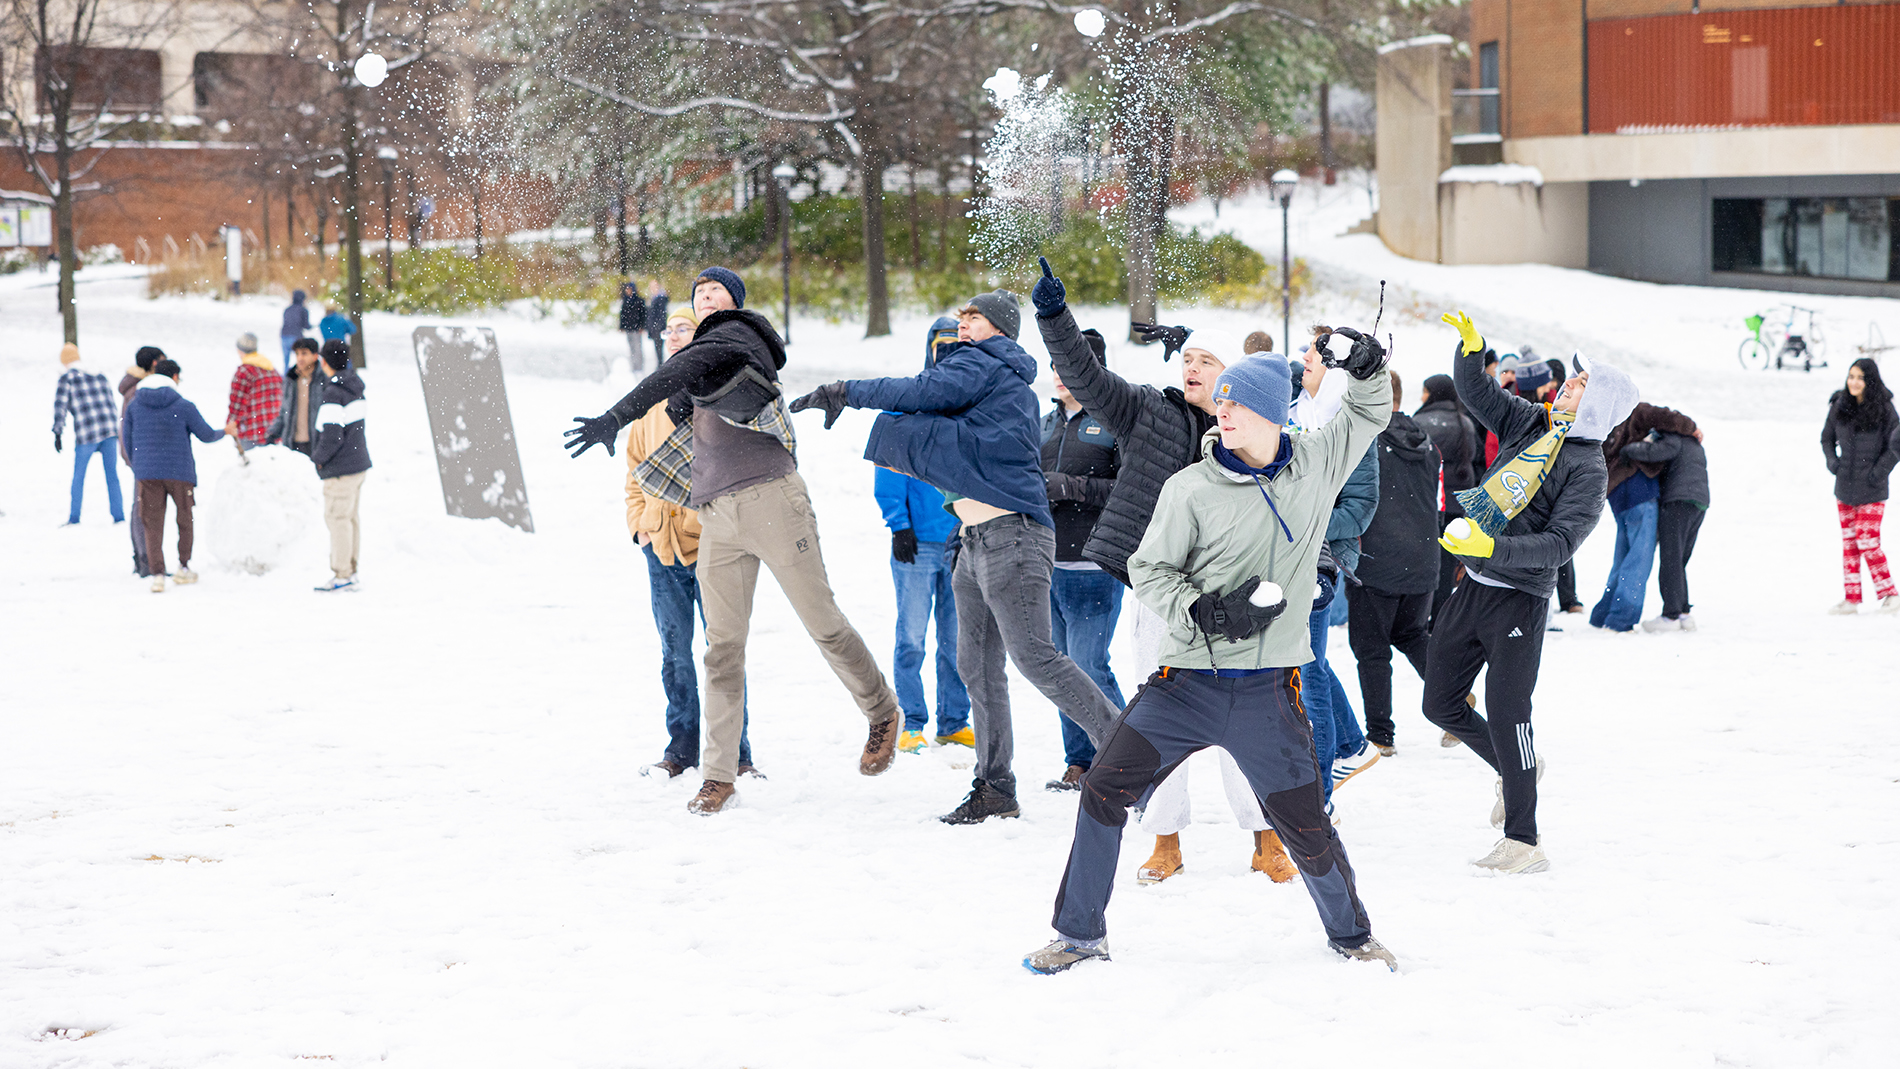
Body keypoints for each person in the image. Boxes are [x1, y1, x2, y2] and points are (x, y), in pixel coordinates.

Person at [1024, 339, 1401, 976]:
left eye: (1238, 403)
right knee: (1104, 794)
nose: (1223, 412)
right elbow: (1149, 568)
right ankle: (1078, 934)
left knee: (1308, 828)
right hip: (1183, 685)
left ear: (1274, 412)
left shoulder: (1314, 466)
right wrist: (1205, 611)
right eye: (1220, 403)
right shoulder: (1190, 488)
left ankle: (1352, 936)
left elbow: (1367, 414)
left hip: (1267, 693)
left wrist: (1365, 371)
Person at [564, 266, 903, 815]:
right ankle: (719, 774)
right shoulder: (698, 371)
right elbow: (675, 394)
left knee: (822, 621)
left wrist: (613, 415)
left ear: (735, 302)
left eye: (716, 289)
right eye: (699, 293)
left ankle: (881, 709)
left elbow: (682, 368)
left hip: (772, 499)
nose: (706, 296)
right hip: (717, 515)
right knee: (721, 649)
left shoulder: (742, 335)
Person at [790, 287, 1122, 825]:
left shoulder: (987, 366)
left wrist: (845, 391)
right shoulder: (986, 380)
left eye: (977, 318)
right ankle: (995, 787)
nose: (964, 325)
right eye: (962, 317)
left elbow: (917, 391)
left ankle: (1124, 750)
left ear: (1001, 330)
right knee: (977, 665)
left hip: (1012, 536)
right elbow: (947, 430)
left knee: (1036, 656)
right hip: (975, 539)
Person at [1028, 260, 1294, 884]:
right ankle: (1166, 839)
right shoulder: (1151, 413)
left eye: (1207, 361)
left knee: (1251, 721)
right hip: (1162, 596)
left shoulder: (1256, 439)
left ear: (1238, 379)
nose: (1191, 367)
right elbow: (1088, 380)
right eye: (1188, 359)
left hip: (1240, 598)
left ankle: (1264, 837)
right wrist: (1053, 318)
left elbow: (1295, 507)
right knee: (1159, 720)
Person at [1429, 312, 1638, 874]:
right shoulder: (1534, 424)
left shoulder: (1588, 469)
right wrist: (1472, 351)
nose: (1566, 384)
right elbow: (1479, 395)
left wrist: (1490, 548)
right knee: (1438, 702)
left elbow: (1559, 544)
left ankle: (1524, 841)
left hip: (1519, 599)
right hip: (1472, 586)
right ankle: (1516, 765)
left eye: (1579, 383)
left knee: (1507, 713)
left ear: (1597, 405)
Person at [625, 307, 760, 777]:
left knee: (724, 652)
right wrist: (639, 524)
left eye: (684, 329)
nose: (674, 337)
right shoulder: (649, 404)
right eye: (670, 330)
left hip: (712, 546)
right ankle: (680, 749)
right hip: (660, 549)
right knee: (674, 653)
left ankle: (737, 756)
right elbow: (634, 472)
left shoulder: (718, 393)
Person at [1287, 337, 1380, 800]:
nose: (1305, 358)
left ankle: (1319, 793)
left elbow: (1361, 508)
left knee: (1307, 671)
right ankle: (1352, 745)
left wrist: (1307, 519)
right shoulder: (1294, 408)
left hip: (1322, 560)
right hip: (1281, 555)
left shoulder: (1350, 427)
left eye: (1316, 357)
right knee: (1310, 663)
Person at [878, 317, 973, 756]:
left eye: (957, 345)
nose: (949, 353)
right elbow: (889, 465)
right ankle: (911, 721)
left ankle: (953, 721)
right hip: (915, 543)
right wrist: (898, 523)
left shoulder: (974, 404)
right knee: (911, 638)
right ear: (930, 349)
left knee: (957, 640)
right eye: (942, 346)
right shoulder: (909, 403)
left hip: (962, 543)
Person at [1040, 327, 1125, 790]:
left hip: (1094, 565)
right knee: (1060, 670)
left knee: (1090, 666)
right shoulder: (1045, 422)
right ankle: (1080, 762)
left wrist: (1072, 487)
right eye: (1055, 365)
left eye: (1068, 365)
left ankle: (1123, 758)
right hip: (1046, 564)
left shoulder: (1114, 422)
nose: (1059, 374)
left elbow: (1131, 490)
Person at [1348, 370, 1440, 757]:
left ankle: (1380, 735)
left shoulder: (1366, 440)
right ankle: (1452, 688)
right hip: (1422, 557)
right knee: (1411, 635)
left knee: (1371, 650)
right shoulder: (1425, 442)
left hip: (1377, 559)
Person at [123, 358, 235, 591]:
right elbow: (205, 434)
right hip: (179, 471)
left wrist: (140, 466)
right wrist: (225, 431)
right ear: (174, 377)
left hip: (147, 473)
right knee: (184, 519)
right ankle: (184, 566)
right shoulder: (183, 405)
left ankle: (157, 574)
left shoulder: (135, 404)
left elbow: (127, 439)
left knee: (152, 523)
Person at [1591, 403, 1699, 632]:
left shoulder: (1605, 421)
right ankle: (1621, 619)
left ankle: (1603, 614)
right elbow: (1666, 417)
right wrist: (1691, 427)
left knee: (1623, 556)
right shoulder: (1634, 410)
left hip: (1616, 492)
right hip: (1639, 491)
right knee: (1639, 559)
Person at [1821, 358, 1900, 614]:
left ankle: (1890, 594)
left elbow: (1895, 446)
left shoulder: (1885, 409)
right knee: (1850, 543)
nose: (1853, 382)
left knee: (1867, 540)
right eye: (1851, 376)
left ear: (1870, 381)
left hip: (1872, 487)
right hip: (1845, 485)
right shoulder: (1839, 405)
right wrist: (1834, 463)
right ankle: (1851, 599)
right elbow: (1826, 438)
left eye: (1860, 377)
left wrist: (1878, 473)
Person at [1623, 420, 1711, 632]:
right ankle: (1684, 614)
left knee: (1671, 558)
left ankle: (1670, 616)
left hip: (1678, 501)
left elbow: (1655, 452)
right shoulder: (1694, 443)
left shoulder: (1673, 437)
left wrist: (1628, 449)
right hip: (1699, 502)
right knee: (1679, 559)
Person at [1415, 372, 1477, 621]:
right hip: (1457, 502)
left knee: (1427, 560)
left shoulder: (1421, 422)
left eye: (1424, 391)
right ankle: (1441, 613)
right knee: (1447, 561)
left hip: (1429, 501)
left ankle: (1422, 613)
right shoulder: (1466, 423)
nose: (1421, 396)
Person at [310, 340, 371, 592]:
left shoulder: (334, 392)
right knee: (350, 519)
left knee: (337, 519)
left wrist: (319, 458)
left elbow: (332, 435)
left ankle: (342, 574)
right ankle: (351, 569)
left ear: (324, 361)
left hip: (341, 468)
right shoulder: (355, 386)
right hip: (358, 464)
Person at [52, 342, 125, 527]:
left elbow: (60, 407)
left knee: (79, 476)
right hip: (109, 429)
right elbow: (111, 402)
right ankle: (119, 516)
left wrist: (57, 432)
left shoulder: (67, 379)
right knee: (112, 475)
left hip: (87, 432)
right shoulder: (98, 375)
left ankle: (74, 517)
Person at [118, 346, 165, 575]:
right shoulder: (138, 391)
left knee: (141, 508)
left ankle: (144, 559)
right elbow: (128, 430)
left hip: (141, 457)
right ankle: (144, 561)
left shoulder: (137, 388)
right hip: (141, 459)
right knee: (142, 510)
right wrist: (137, 460)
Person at [265, 339, 325, 456]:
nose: (300, 358)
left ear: (315, 356)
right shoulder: (291, 379)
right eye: (297, 354)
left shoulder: (323, 379)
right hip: (292, 443)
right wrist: (273, 433)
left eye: (304, 353)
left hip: (316, 443)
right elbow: (284, 411)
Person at [227, 333, 285, 449]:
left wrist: (231, 424)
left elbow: (236, 404)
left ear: (240, 350)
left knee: (252, 466)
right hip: (274, 430)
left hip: (252, 431)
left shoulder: (243, 372)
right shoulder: (272, 370)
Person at [617, 279, 648, 373]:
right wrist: (621, 326)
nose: (628, 291)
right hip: (628, 328)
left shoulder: (639, 301)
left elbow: (643, 315)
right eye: (627, 289)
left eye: (629, 289)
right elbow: (622, 314)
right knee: (631, 348)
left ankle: (639, 367)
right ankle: (633, 367)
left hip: (636, 329)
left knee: (638, 348)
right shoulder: (625, 301)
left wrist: (642, 326)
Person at [280, 289, 313, 369]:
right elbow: (306, 325)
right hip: (296, 336)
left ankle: (286, 374)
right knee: (300, 358)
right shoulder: (303, 310)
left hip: (284, 335)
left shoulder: (287, 309)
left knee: (286, 359)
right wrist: (312, 326)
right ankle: (298, 374)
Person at [645, 279, 669, 369]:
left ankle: (660, 366)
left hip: (658, 327)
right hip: (654, 327)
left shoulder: (660, 298)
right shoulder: (653, 297)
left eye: (654, 286)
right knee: (657, 348)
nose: (652, 288)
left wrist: (658, 326)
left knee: (659, 348)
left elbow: (661, 314)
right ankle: (660, 365)